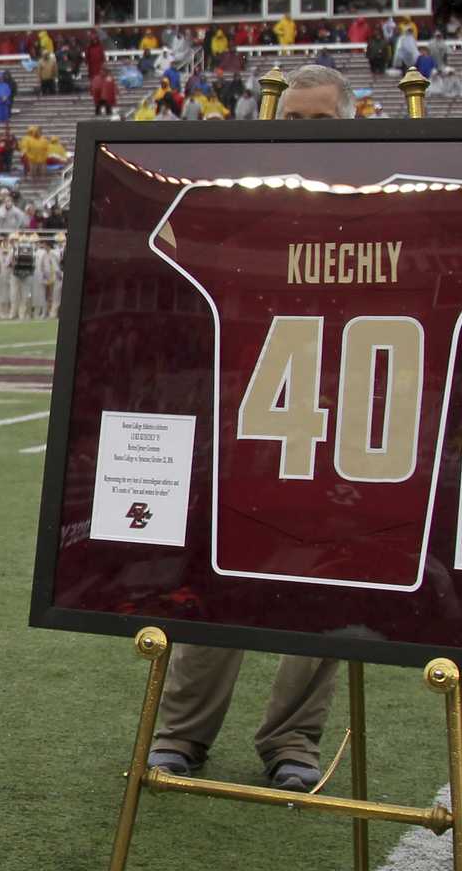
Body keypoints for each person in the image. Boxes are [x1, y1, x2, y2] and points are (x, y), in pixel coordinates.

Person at [147, 62, 352, 792]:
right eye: (290, 121)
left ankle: (292, 738)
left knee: (329, 581)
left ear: (350, 124)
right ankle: (182, 732)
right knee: (216, 570)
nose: (300, 136)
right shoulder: (239, 199)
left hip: (341, 408)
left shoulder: (373, 206)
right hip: (241, 406)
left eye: (318, 124)